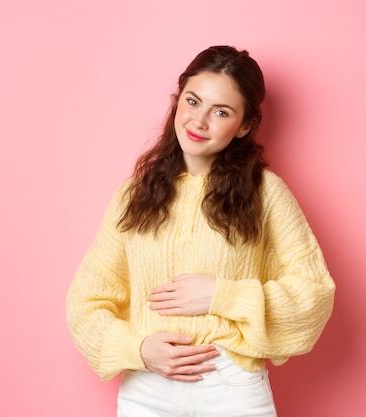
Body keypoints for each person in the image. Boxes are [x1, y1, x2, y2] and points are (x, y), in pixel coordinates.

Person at [66, 45, 336, 417]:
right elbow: (86, 300)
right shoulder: (134, 195)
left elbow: (314, 294)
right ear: (177, 100)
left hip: (232, 385)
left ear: (244, 125)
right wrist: (138, 350)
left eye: (221, 111)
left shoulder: (266, 193)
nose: (199, 121)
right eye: (193, 101)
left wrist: (221, 295)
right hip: (147, 388)